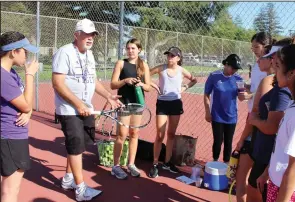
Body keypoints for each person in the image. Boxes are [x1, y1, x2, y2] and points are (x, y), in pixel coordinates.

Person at [52, 18, 122, 201]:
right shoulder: (64, 52)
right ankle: (80, 189)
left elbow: (93, 80)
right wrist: (78, 104)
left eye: (92, 35)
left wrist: (108, 95)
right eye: (86, 34)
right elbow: (58, 84)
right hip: (69, 109)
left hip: (86, 109)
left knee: (79, 146)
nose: (90, 38)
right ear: (77, 35)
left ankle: (68, 179)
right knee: (75, 147)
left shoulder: (89, 55)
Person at [246, 38, 294, 202]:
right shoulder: (288, 99)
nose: (272, 60)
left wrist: (254, 120)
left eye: (277, 61)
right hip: (272, 169)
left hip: (281, 180)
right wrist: (267, 172)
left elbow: (293, 168)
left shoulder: (282, 92)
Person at [1, 31, 39, 202]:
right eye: (25, 51)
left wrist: (28, 111)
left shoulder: (11, 74)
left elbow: (25, 104)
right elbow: (25, 104)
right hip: (10, 136)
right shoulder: (3, 76)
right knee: (10, 191)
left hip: (13, 135)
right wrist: (30, 75)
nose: (27, 56)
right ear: (13, 52)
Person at [148, 46, 197, 178]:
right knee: (160, 135)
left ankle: (167, 162)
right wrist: (154, 85)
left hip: (175, 103)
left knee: (171, 134)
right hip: (162, 103)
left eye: (172, 55)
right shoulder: (161, 68)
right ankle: (155, 163)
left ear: (178, 58)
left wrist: (185, 87)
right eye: (168, 55)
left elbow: (194, 79)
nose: (169, 57)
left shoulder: (181, 70)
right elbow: (145, 75)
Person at [235, 32, 272, 202]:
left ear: (267, 46)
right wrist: (247, 89)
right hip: (252, 118)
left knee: (256, 180)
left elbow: (267, 92)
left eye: (257, 47)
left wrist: (252, 97)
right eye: (252, 48)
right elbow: (257, 87)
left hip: (258, 120)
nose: (254, 51)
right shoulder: (257, 66)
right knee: (243, 174)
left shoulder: (271, 67)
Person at [110, 38, 151, 179]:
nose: (130, 51)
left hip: (138, 104)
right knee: (121, 135)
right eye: (128, 48)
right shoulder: (121, 63)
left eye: (133, 48)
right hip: (124, 103)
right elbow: (113, 84)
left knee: (134, 134)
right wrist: (125, 81)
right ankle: (115, 166)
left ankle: (131, 164)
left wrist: (140, 85)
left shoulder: (143, 65)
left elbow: (149, 87)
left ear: (139, 49)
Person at [204, 54, 245, 164]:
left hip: (231, 116)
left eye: (236, 69)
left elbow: (241, 98)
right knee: (217, 140)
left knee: (228, 141)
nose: (235, 71)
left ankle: (226, 164)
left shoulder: (239, 79)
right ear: (226, 64)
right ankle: (215, 161)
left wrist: (247, 95)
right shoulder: (214, 76)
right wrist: (207, 111)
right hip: (217, 115)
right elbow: (206, 94)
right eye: (233, 68)